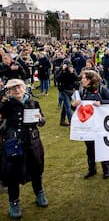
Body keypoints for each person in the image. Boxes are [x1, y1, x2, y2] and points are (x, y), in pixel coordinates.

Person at [0, 79, 48, 219]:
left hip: (33, 142)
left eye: (19, 87)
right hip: (14, 143)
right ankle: (14, 203)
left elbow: (43, 122)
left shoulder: (33, 102)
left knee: (36, 169)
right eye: (13, 88)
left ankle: (39, 193)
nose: (17, 90)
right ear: (8, 91)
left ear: (24, 88)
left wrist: (40, 119)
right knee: (12, 174)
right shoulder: (5, 106)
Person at [72, 70, 109, 179]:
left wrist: (101, 103)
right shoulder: (82, 91)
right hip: (87, 126)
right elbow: (76, 108)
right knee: (89, 149)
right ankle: (92, 169)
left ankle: (106, 169)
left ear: (91, 80)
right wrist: (74, 105)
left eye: (84, 78)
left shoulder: (101, 89)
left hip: (99, 125)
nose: (82, 80)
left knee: (102, 147)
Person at [56, 60, 79, 126]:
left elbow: (76, 78)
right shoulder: (60, 70)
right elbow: (57, 79)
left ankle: (62, 120)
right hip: (63, 91)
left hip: (70, 90)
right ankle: (72, 122)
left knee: (65, 107)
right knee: (68, 107)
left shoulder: (72, 70)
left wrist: (72, 73)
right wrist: (63, 70)